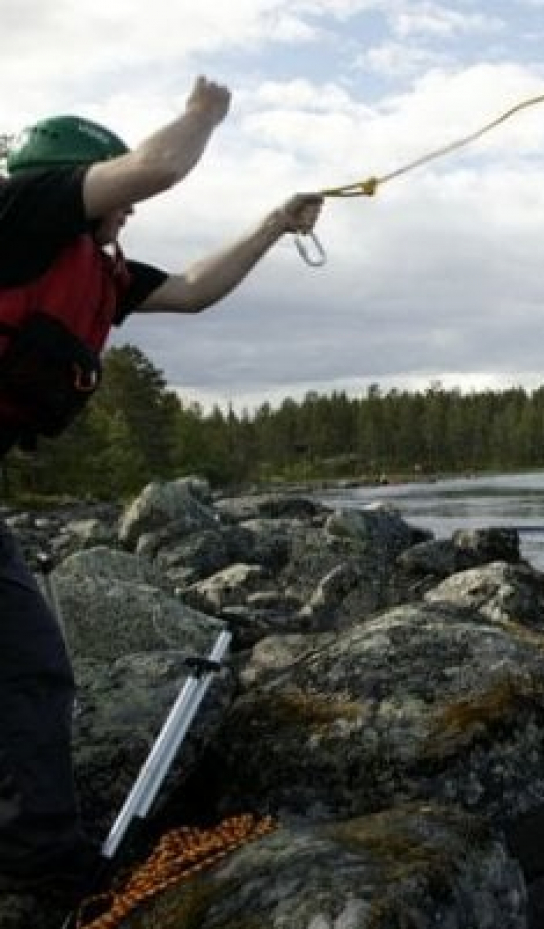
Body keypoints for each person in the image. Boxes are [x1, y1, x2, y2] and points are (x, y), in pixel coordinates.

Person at [0, 76, 322, 900]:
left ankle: (40, 853)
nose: (129, 209)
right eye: (110, 188)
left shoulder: (96, 269)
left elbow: (192, 289)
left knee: (32, 668)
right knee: (32, 665)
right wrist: (208, 110)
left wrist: (272, 226)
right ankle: (46, 861)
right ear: (74, 178)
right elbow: (154, 170)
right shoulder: (24, 211)